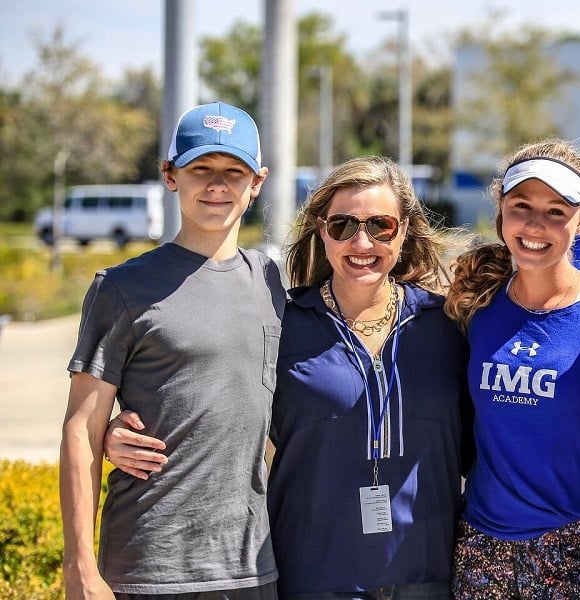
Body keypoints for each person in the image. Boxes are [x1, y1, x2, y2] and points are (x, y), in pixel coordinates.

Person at [105, 156, 474, 599]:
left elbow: (500, 427)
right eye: (342, 225)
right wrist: (117, 434)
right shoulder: (281, 319)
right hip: (312, 575)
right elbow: (208, 397)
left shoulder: (449, 325)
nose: (362, 241)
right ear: (321, 230)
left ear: (404, 230)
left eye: (381, 226)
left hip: (427, 575)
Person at [59, 101, 284, 598]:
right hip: (148, 565)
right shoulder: (121, 287)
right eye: (200, 168)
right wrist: (78, 567)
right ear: (169, 174)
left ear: (257, 183)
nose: (217, 185)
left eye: (234, 171)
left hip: (252, 567)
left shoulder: (273, 285)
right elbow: (81, 427)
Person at [443, 138, 580, 599]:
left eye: (555, 211)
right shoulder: (475, 305)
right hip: (481, 547)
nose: (535, 225)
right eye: (521, 205)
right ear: (501, 211)